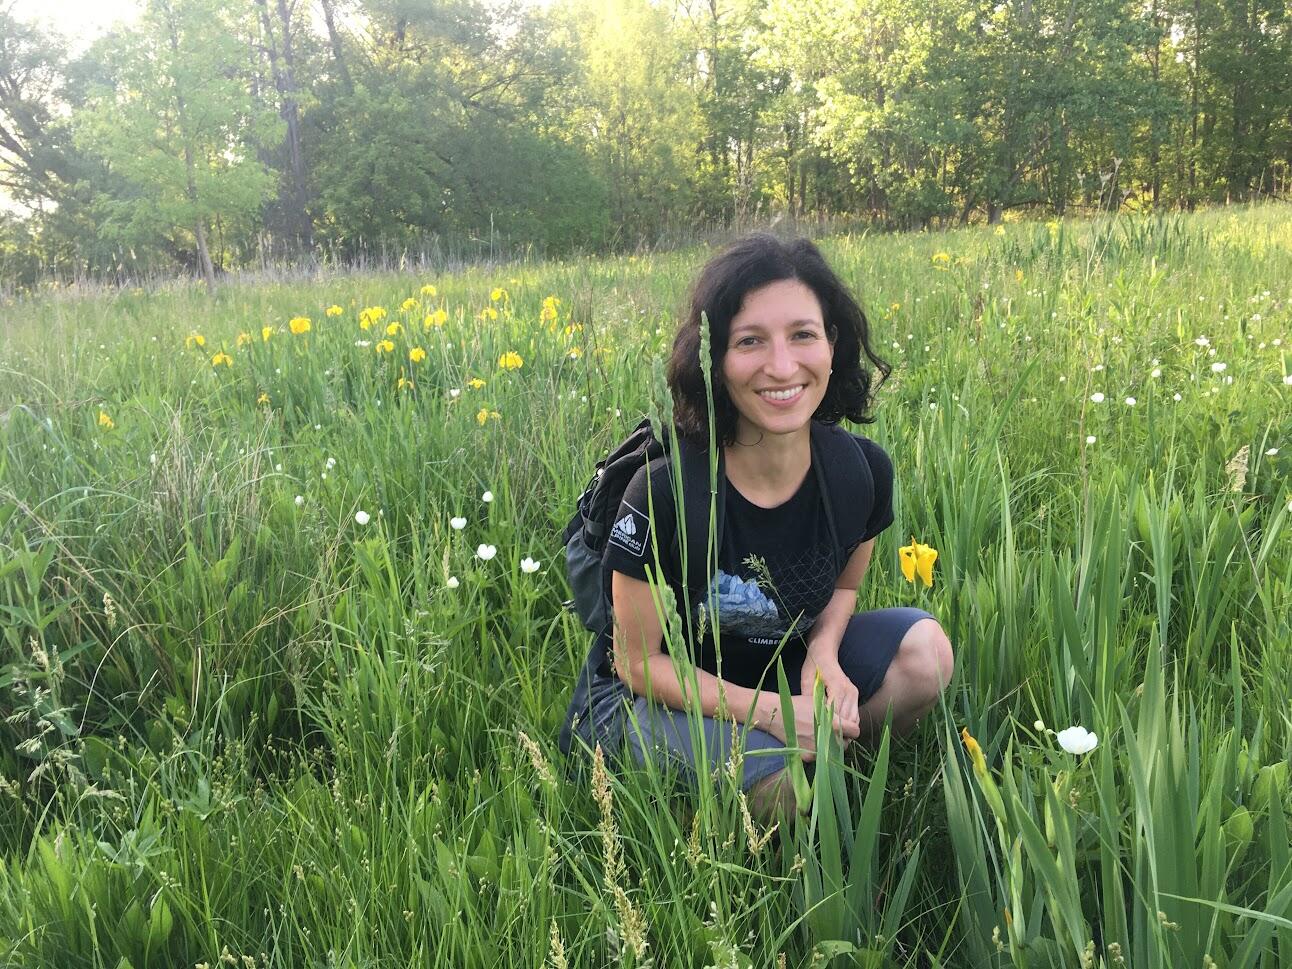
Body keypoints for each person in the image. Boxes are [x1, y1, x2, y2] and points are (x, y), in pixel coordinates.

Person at [560, 234, 954, 819]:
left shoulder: (860, 472)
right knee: (786, 783)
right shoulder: (665, 493)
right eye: (750, 341)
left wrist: (823, 653)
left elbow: (844, 587)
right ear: (715, 359)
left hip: (779, 667)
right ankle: (750, 807)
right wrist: (771, 713)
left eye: (803, 334)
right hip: (653, 695)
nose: (782, 366)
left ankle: (836, 769)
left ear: (832, 343)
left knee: (926, 654)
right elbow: (636, 663)